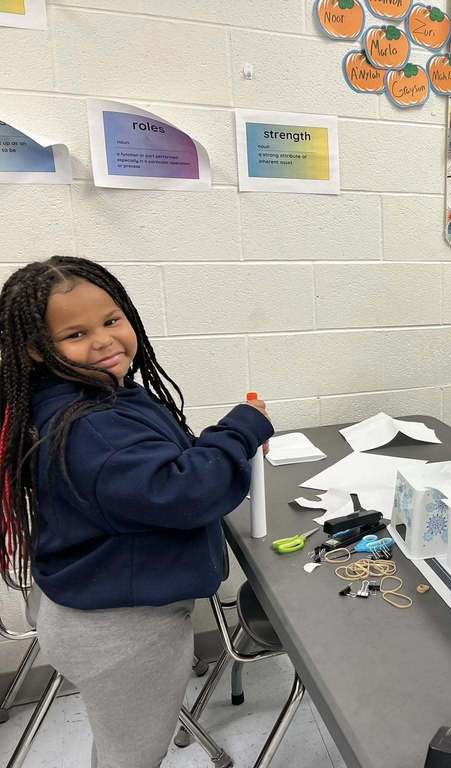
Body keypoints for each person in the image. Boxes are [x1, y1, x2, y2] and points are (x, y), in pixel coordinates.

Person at [0, 256, 274, 767]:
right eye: (76, 334)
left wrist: (214, 446)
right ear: (37, 350)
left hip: (91, 609)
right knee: (133, 756)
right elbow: (186, 493)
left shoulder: (92, 399)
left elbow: (159, 466)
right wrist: (242, 429)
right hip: (123, 633)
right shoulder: (93, 429)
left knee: (121, 743)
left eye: (111, 321)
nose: (104, 341)